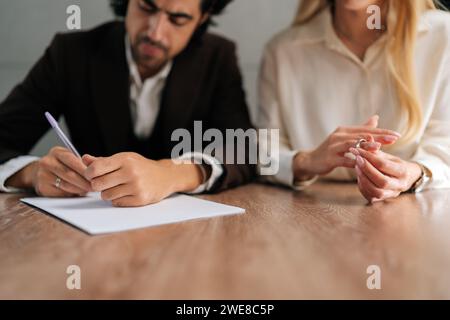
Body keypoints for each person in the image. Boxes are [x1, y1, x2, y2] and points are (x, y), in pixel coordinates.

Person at [0, 0, 255, 207]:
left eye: (178, 19)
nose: (155, 33)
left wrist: (171, 173)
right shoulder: (70, 54)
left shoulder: (218, 57)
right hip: (84, 239)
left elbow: (243, 147)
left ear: (202, 17)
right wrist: (30, 173)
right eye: (146, 7)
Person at [258, 0, 450, 202]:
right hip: (312, 211)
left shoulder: (442, 36)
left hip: (420, 212)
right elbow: (264, 152)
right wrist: (306, 161)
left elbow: (445, 143)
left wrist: (413, 173)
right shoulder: (283, 50)